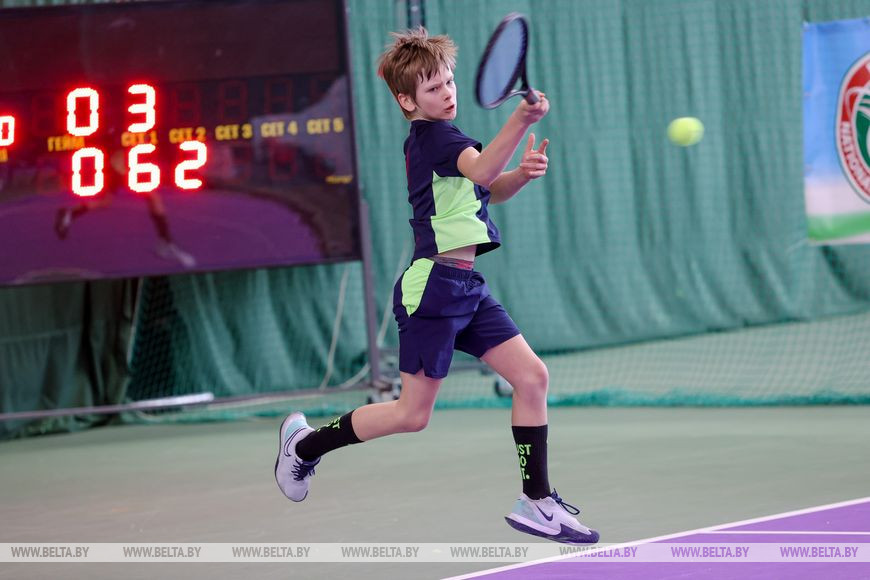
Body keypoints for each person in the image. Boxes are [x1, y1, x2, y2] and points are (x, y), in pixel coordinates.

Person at [275, 27, 598, 544]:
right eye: (433, 88)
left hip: (467, 288)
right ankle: (305, 446)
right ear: (407, 101)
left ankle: (537, 501)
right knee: (411, 415)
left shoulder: (450, 138)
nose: (447, 93)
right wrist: (520, 119)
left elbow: (488, 187)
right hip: (433, 291)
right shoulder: (435, 138)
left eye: (449, 81)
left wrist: (522, 174)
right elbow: (484, 169)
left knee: (532, 377)